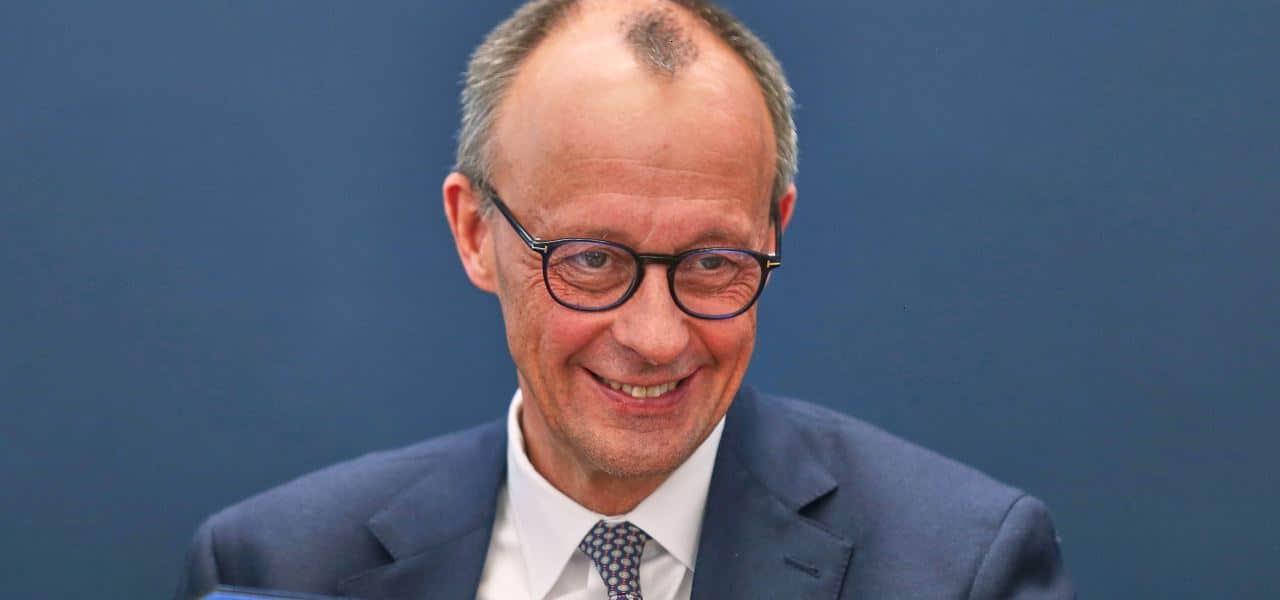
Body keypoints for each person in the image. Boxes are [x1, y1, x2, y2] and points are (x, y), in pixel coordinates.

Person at [175, 1, 1074, 598]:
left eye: (713, 262)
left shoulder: (958, 570)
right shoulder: (278, 566)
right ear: (475, 232)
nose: (656, 336)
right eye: (593, 260)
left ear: (776, 232)